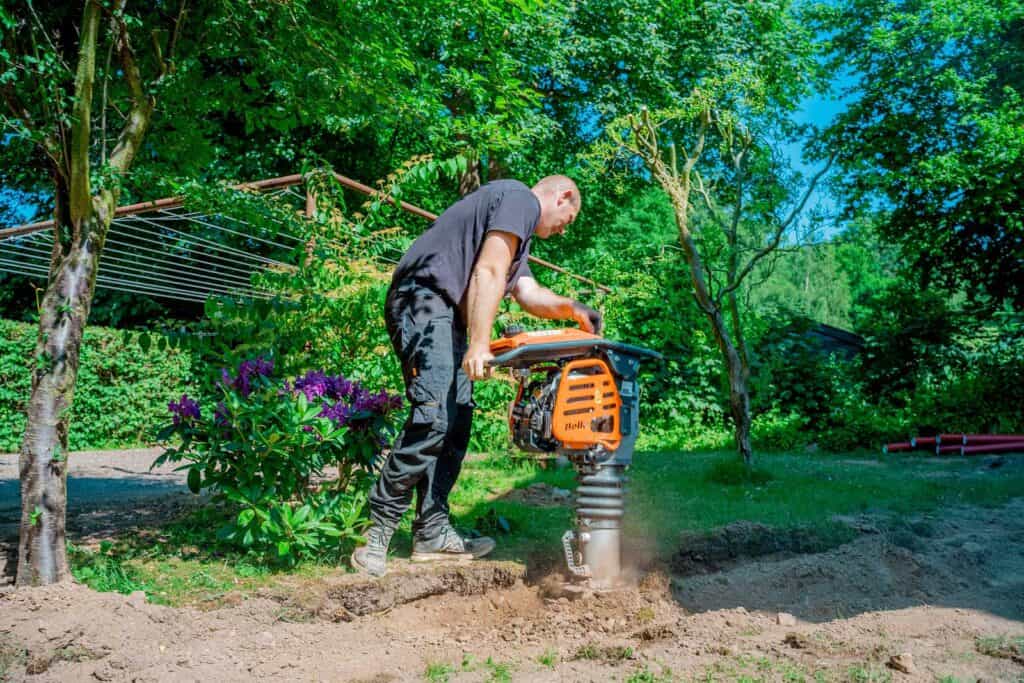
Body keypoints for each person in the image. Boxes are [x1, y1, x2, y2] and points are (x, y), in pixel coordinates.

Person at [351, 175, 603, 577]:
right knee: (433, 417)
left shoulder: (518, 230)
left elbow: (527, 292)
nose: (562, 229)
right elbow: (488, 271)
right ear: (563, 196)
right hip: (424, 299)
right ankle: (376, 533)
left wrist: (573, 308)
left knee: (456, 422)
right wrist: (479, 343)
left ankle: (432, 532)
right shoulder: (520, 199)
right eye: (567, 219)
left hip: (444, 313)